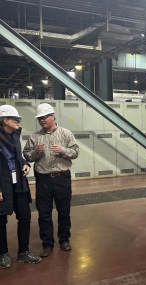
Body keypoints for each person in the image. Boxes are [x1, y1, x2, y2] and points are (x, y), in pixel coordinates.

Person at [23, 103, 79, 258]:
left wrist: (63, 151)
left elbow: (75, 152)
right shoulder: (35, 137)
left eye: (44, 117)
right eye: (40, 118)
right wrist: (35, 153)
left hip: (62, 178)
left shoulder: (66, 133)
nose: (42, 120)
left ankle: (64, 240)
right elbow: (26, 155)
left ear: (53, 117)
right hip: (43, 180)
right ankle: (47, 244)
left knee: (64, 212)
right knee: (44, 214)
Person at [0, 105, 41, 269]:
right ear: (5, 120)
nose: (18, 121)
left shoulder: (15, 136)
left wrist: (25, 164)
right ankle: (2, 254)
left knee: (25, 217)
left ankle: (23, 252)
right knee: (1, 220)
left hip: (19, 184)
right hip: (3, 184)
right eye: (15, 119)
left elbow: (18, 158)